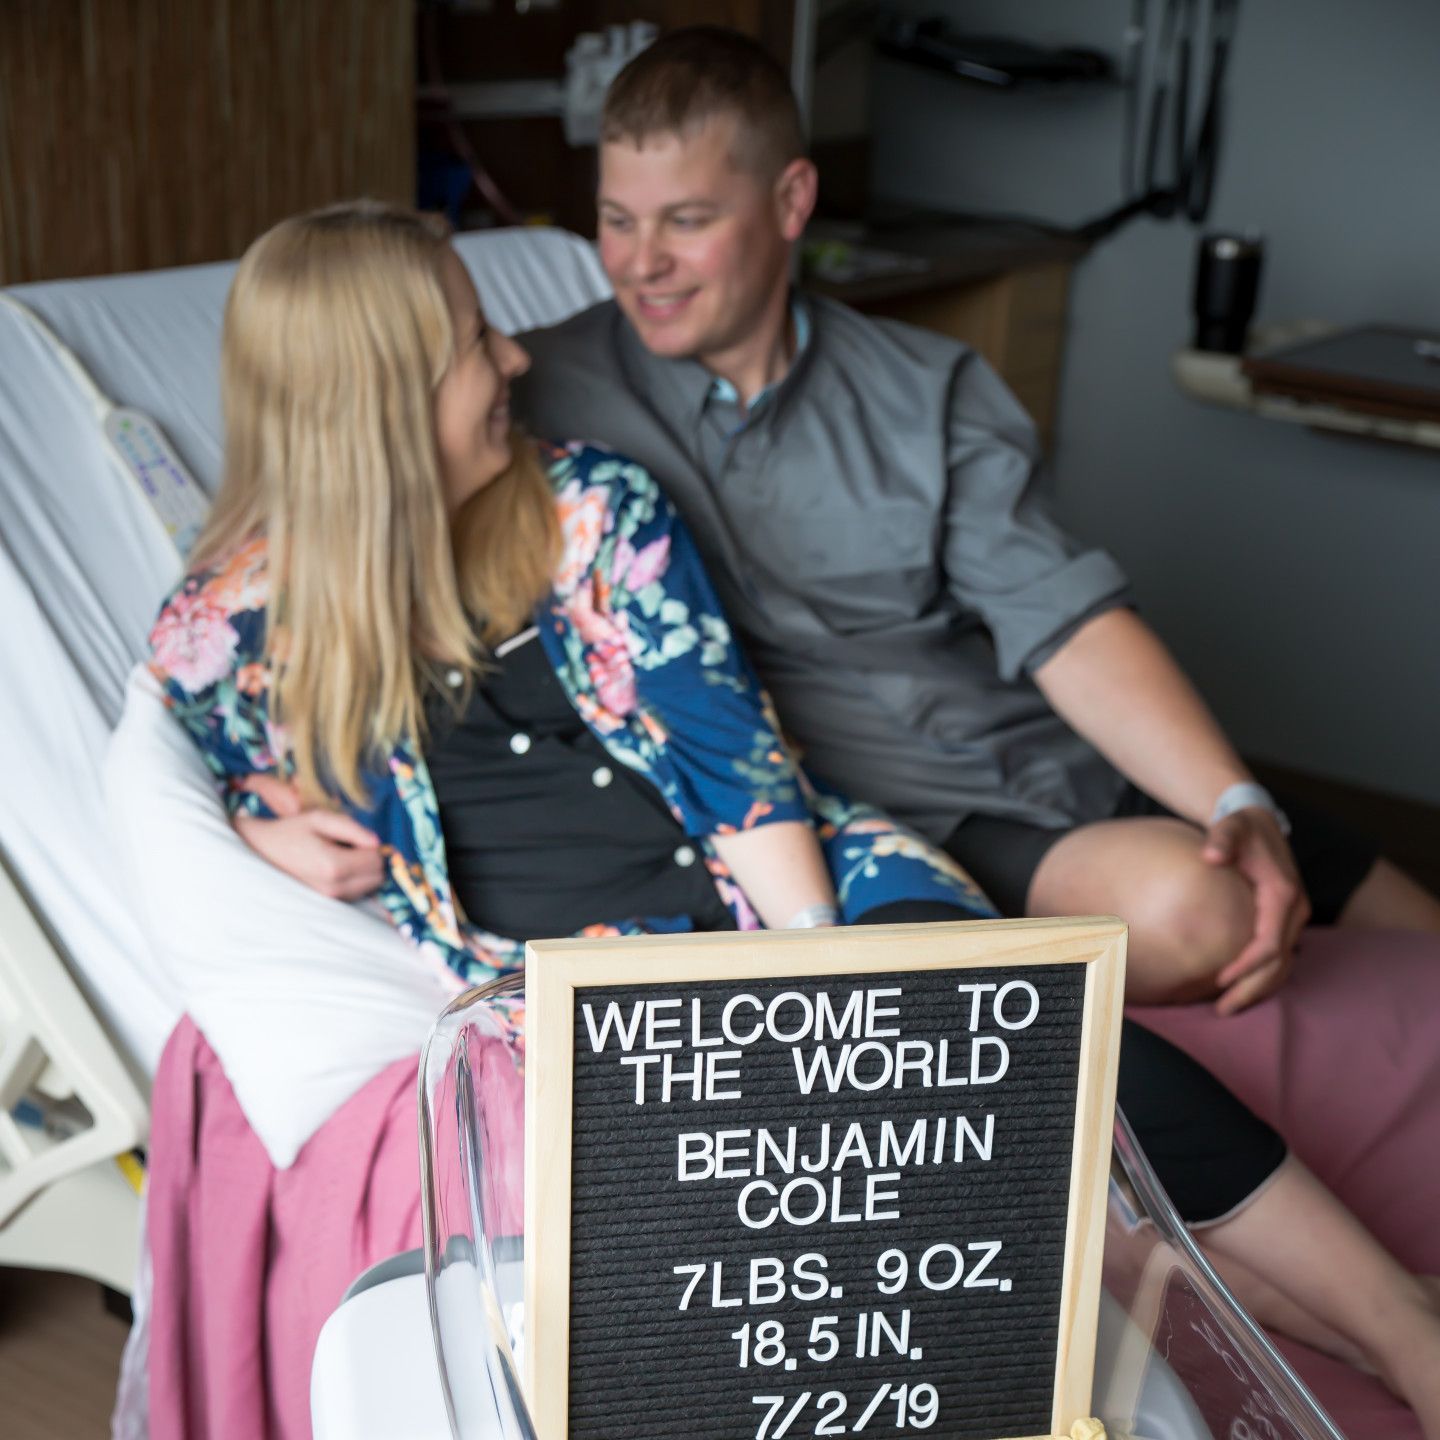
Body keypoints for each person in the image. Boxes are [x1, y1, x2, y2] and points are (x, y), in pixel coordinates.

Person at [148, 200, 1440, 1433]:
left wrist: (816, 960)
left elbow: (736, 761)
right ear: (378, 399)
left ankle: (1409, 1342)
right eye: (472, 343)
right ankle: (1370, 1332)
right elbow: (182, 794)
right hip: (598, 994)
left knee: (1041, 1053)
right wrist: (264, 834)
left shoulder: (591, 505)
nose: (513, 356)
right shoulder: (227, 628)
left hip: (801, 896)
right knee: (1003, 1162)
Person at [513, 27, 1440, 1021]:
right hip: (916, 807)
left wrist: (1232, 798)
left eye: (686, 221)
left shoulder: (926, 388)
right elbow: (355, 521)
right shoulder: (539, 390)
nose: (641, 263)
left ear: (791, 202)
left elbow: (1065, 621)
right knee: (1206, 917)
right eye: (616, 220)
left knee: (1406, 921)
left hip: (1065, 748)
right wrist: (311, 798)